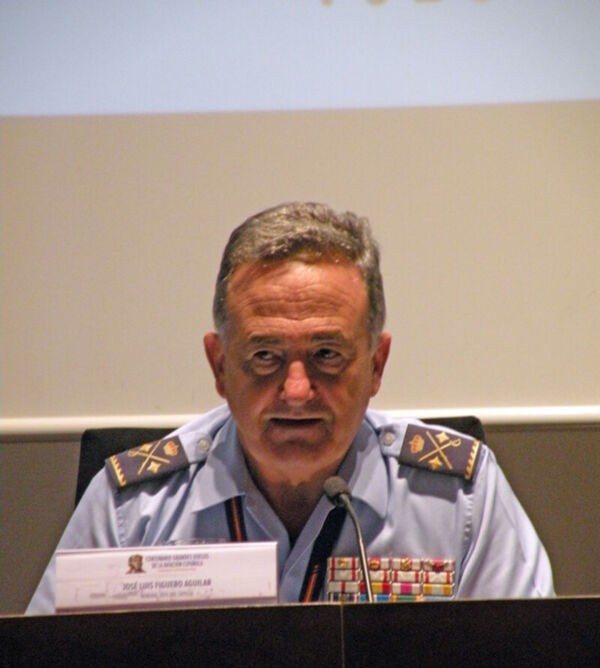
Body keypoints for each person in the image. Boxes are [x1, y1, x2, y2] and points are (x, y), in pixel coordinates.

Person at [26, 201, 554, 614]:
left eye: (327, 355)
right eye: (265, 356)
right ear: (219, 367)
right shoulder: (131, 509)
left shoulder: (460, 497)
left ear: (376, 365)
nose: (297, 391)